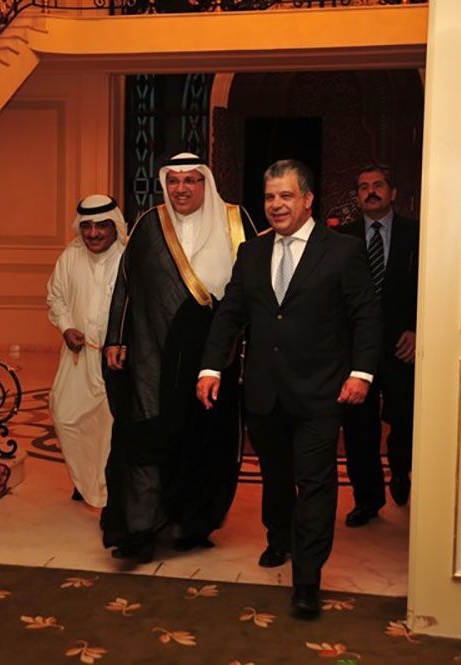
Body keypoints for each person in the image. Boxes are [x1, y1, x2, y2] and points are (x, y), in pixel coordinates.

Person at [197, 159, 381, 618]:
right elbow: (231, 314)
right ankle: (278, 538)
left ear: (307, 200)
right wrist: (211, 368)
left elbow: (366, 317)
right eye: (269, 197)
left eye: (285, 196)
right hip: (263, 390)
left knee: (315, 481)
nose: (276, 205)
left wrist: (362, 373)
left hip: (322, 392)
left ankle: (308, 578)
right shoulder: (252, 254)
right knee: (276, 476)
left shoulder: (342, 251)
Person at [102, 152, 256, 563]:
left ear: (206, 183)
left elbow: (258, 288)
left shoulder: (236, 221)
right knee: (149, 430)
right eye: (174, 181)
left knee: (208, 438)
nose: (182, 188)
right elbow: (126, 282)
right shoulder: (150, 223)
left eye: (191, 180)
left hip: (216, 351)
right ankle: (140, 527)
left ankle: (194, 523)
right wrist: (116, 337)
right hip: (155, 351)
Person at [338, 164, 419, 527]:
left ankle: (401, 473)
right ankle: (366, 499)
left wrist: (420, 330)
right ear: (357, 196)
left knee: (404, 420)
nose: (370, 192)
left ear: (393, 192)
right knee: (358, 428)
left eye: (378, 185)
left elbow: (433, 286)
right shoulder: (341, 240)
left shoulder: (417, 235)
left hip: (403, 347)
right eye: (363, 187)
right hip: (355, 351)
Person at [46, 195, 127, 509]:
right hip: (78, 355)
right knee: (66, 416)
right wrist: (66, 327)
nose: (93, 233)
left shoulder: (128, 257)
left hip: (116, 359)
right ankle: (84, 478)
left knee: (109, 425)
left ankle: (105, 491)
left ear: (114, 226)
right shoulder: (70, 256)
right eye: (87, 226)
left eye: (101, 225)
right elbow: (55, 297)